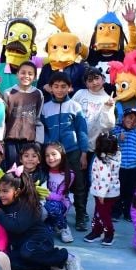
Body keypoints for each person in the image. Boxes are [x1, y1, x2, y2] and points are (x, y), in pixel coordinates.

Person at [0, 168, 84, 270]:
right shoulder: (3, 204)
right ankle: (51, 266)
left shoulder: (26, 204)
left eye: (5, 191)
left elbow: (18, 227)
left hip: (40, 240)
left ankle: (66, 257)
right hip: (22, 245)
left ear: (17, 191)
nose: (1, 194)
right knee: (11, 262)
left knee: (27, 251)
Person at [41, 71, 89, 231]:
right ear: (50, 88)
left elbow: (82, 130)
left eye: (63, 86)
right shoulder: (46, 108)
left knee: (79, 185)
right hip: (53, 155)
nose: (60, 90)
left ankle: (81, 216)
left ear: (69, 88)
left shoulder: (75, 106)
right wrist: (47, 147)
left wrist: (83, 153)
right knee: (54, 185)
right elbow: (45, 131)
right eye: (56, 86)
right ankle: (53, 214)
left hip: (73, 151)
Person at [84, 132, 121, 245]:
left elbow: (104, 179)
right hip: (112, 192)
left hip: (104, 194)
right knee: (99, 213)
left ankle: (109, 233)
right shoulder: (117, 155)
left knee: (103, 215)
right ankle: (97, 231)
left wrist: (101, 195)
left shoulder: (102, 161)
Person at [71, 67, 115, 162]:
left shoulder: (108, 99)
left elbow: (107, 127)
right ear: (86, 84)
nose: (94, 82)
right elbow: (69, 114)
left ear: (103, 79)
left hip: (96, 148)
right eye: (90, 80)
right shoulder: (80, 94)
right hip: (77, 145)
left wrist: (107, 109)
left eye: (96, 78)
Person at [3, 61, 43, 166]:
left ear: (35, 77)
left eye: (30, 74)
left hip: (29, 140)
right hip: (11, 139)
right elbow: (4, 119)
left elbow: (38, 118)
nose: (26, 76)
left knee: (28, 169)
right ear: (17, 74)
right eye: (23, 73)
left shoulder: (38, 94)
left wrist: (38, 142)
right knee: (12, 168)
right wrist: (1, 140)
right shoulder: (8, 93)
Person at [113, 108, 136, 221]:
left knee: (130, 192)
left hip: (133, 168)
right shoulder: (115, 130)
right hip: (119, 168)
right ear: (123, 118)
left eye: (135, 120)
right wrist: (117, 138)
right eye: (130, 117)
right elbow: (109, 144)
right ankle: (116, 211)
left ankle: (128, 212)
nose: (132, 121)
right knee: (117, 190)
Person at [42, 142, 74, 243]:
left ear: (62, 155)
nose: (50, 158)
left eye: (54, 154)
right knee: (45, 236)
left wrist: (44, 194)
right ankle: (53, 224)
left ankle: (63, 227)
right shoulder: (44, 171)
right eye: (47, 155)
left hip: (59, 205)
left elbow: (60, 197)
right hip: (44, 204)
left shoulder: (69, 174)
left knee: (52, 206)